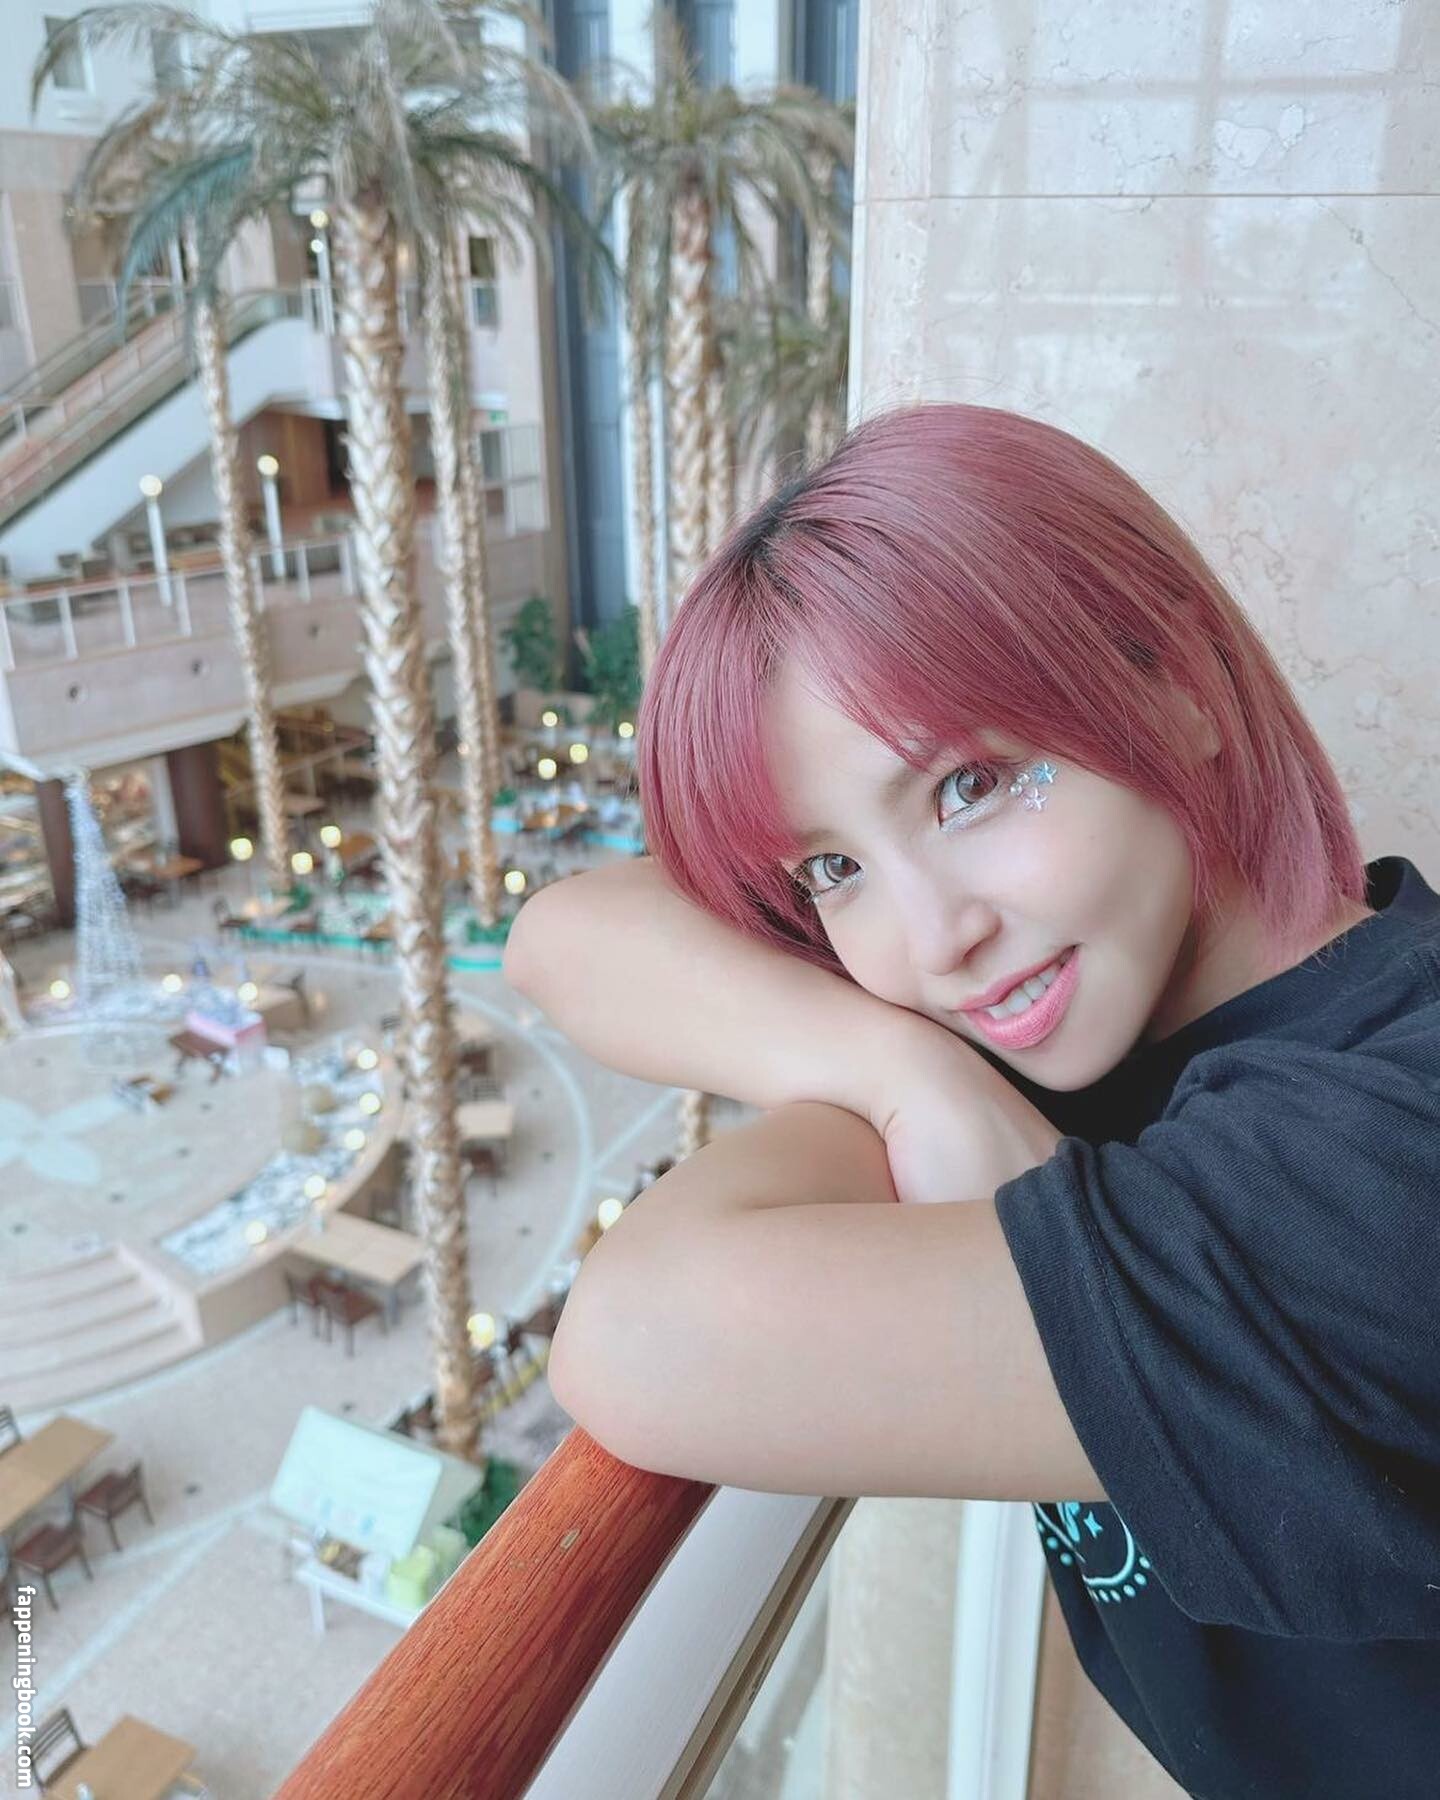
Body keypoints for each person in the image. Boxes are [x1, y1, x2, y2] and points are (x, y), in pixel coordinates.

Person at [504, 404, 1440, 1798]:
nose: (931, 943)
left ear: (1179, 685)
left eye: (971, 786)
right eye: (832, 869)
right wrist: (905, 1072)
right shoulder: (1093, 1009)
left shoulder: (1384, 1162)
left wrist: (907, 1072)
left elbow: (642, 1337)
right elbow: (563, 935)